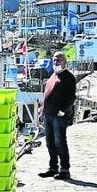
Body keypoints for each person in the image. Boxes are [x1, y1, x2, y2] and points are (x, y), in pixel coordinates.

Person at [38, 52, 77, 180]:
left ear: (65, 62)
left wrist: (63, 110)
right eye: (54, 60)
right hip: (48, 114)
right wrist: (42, 110)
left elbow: (71, 96)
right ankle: (53, 167)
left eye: (59, 60)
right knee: (50, 142)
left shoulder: (68, 77)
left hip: (59, 115)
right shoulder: (53, 76)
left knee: (60, 142)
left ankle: (64, 169)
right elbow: (46, 94)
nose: (56, 62)